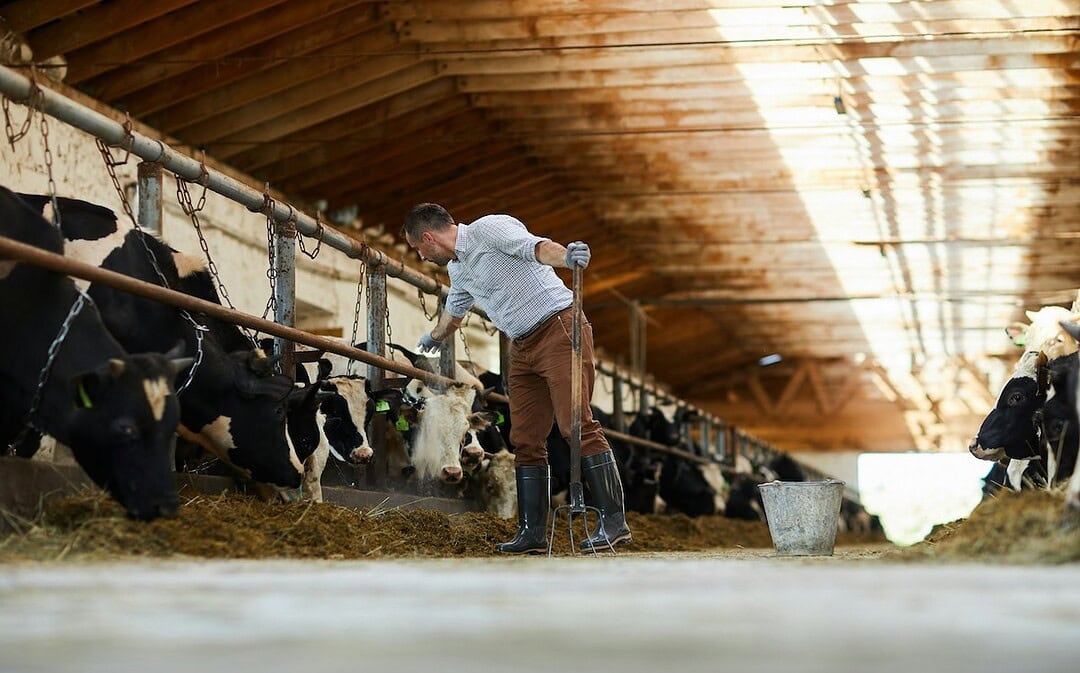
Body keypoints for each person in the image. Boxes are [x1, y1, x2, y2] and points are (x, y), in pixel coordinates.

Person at [402, 203, 631, 554]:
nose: (421, 257)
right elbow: (454, 313)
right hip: (521, 347)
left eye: (419, 249)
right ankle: (532, 533)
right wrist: (435, 336)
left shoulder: (489, 230)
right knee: (524, 437)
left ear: (429, 237)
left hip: (558, 328)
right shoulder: (459, 271)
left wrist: (566, 257)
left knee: (575, 425)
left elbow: (535, 247)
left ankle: (614, 521)